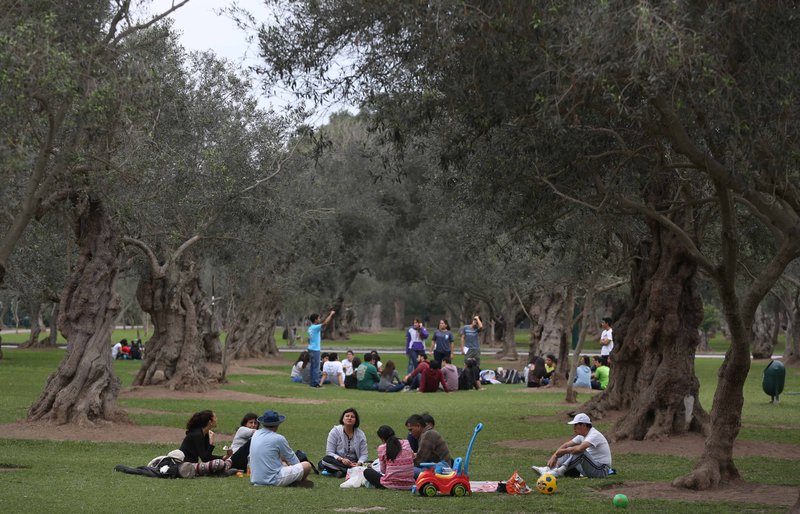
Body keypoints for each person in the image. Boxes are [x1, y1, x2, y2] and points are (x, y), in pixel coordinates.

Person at [531, 413, 612, 478]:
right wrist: (554, 456)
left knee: (579, 451)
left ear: (583, 425)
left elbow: (580, 449)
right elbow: (565, 445)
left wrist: (564, 451)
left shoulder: (594, 434)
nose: (574, 428)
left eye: (575, 425)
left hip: (601, 470)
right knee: (569, 449)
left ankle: (558, 472)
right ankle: (549, 469)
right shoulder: (582, 435)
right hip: (591, 468)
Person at [250, 410, 313, 487]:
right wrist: (302, 472)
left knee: (284, 462)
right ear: (277, 424)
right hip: (273, 479)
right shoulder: (279, 438)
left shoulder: (256, 434)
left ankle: (293, 481)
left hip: (256, 479)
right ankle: (301, 481)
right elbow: (293, 459)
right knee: (307, 465)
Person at [178, 410, 234, 476]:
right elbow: (205, 459)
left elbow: (207, 456)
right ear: (210, 422)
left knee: (229, 459)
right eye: (215, 417)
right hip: (186, 465)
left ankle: (222, 469)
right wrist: (211, 443)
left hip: (195, 464)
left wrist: (225, 457)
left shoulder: (205, 434)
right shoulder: (197, 434)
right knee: (219, 464)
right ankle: (222, 469)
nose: (217, 419)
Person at [319, 408, 369, 477]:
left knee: (371, 463)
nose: (349, 418)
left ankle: (341, 472)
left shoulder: (360, 434)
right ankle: (352, 471)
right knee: (325, 460)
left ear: (356, 421)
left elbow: (364, 455)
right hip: (339, 461)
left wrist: (359, 463)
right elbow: (329, 452)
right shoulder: (335, 431)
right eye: (347, 416)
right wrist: (342, 459)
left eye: (352, 417)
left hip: (354, 462)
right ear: (343, 419)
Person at [363, 425, 415, 490]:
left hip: (390, 484)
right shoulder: (406, 443)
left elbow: (383, 470)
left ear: (381, 438)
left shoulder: (382, 448)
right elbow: (412, 457)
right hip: (409, 484)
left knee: (367, 472)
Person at [407, 413, 452, 477]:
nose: (410, 433)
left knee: (408, 471)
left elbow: (420, 460)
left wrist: (405, 464)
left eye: (411, 430)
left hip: (441, 469)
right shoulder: (427, 433)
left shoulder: (428, 435)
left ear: (418, 426)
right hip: (436, 466)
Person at [307, 310, 335, 388]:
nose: (319, 319)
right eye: (319, 318)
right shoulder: (316, 327)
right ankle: (316, 384)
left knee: (312, 366)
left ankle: (312, 383)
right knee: (316, 367)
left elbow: (308, 339)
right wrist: (331, 314)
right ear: (315, 320)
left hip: (310, 349)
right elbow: (325, 323)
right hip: (315, 349)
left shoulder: (310, 328)